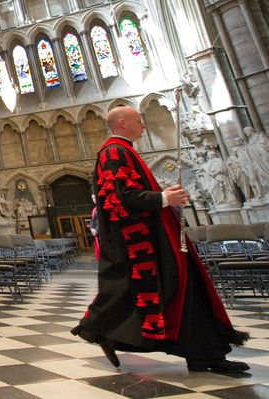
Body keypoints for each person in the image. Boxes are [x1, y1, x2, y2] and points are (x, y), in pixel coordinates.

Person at [71, 106, 248, 373]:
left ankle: (205, 354)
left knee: (186, 293)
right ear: (122, 123)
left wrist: (164, 196)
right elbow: (118, 199)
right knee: (163, 293)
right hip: (144, 245)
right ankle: (101, 330)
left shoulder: (125, 150)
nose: (144, 126)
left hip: (157, 237)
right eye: (139, 121)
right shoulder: (114, 152)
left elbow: (130, 193)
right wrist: (164, 199)